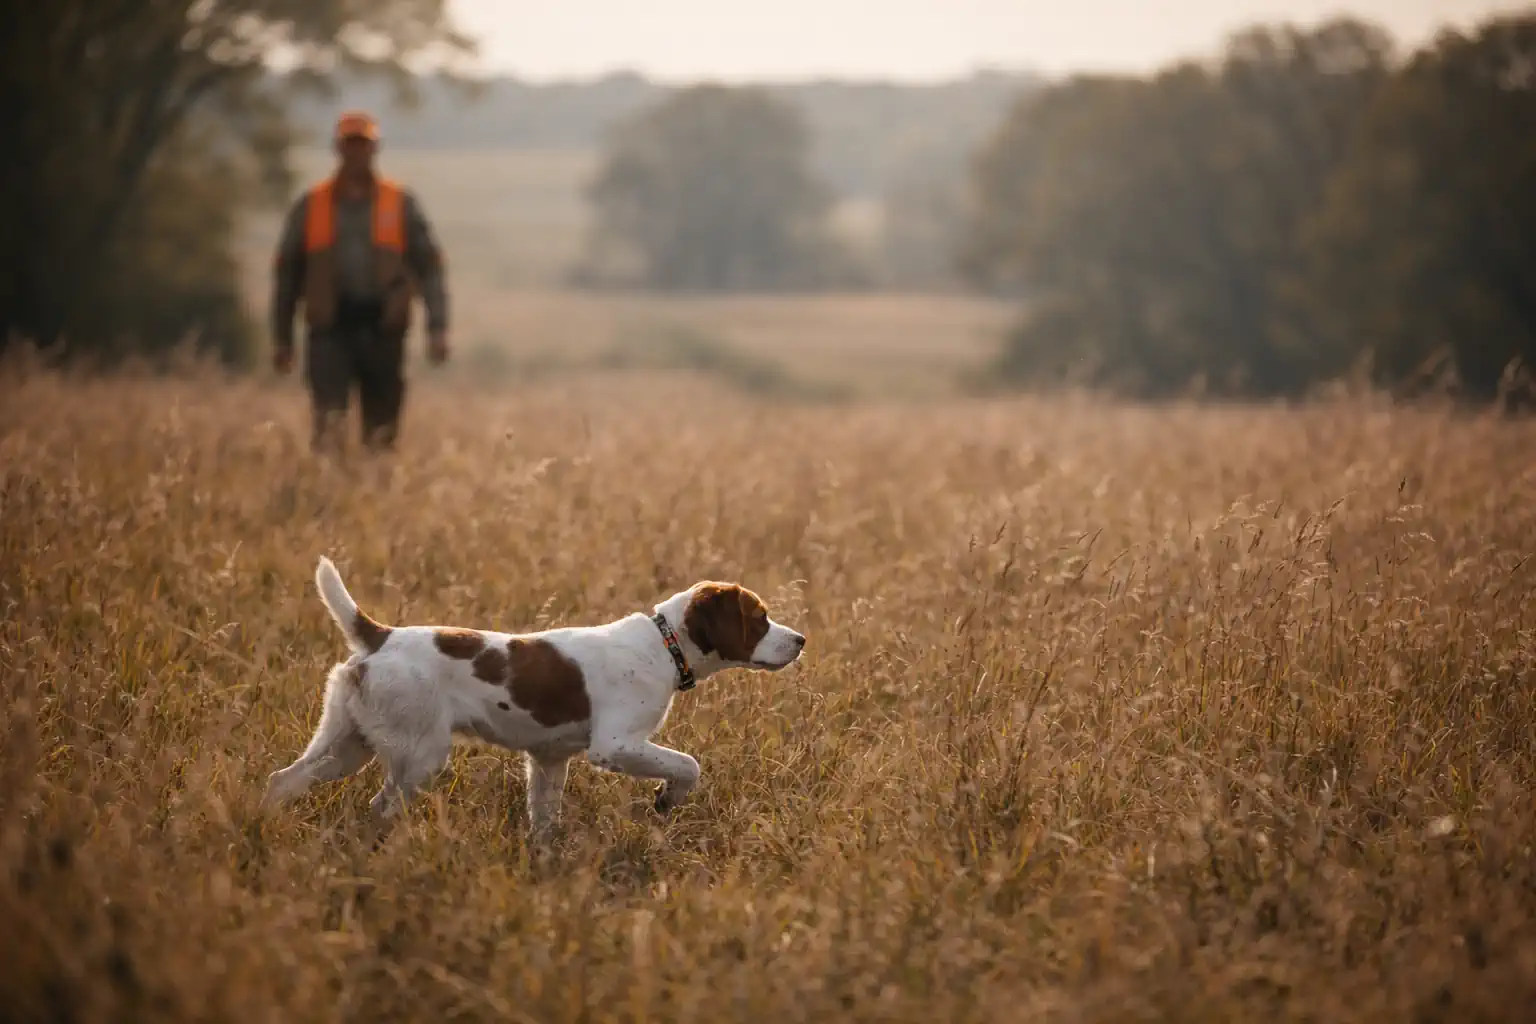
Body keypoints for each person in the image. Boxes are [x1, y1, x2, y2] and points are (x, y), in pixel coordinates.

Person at [270, 110, 450, 452]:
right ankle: (329, 499)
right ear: (337, 149)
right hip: (329, 332)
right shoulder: (312, 205)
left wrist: (437, 328)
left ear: (375, 148)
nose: (356, 152)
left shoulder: (400, 203)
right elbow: (287, 273)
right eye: (350, 144)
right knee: (329, 427)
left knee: (382, 433)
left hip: (384, 331)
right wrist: (282, 339)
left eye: (363, 144)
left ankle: (375, 499)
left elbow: (430, 267)